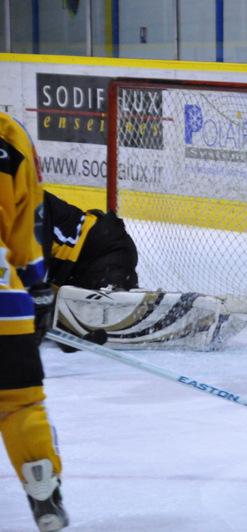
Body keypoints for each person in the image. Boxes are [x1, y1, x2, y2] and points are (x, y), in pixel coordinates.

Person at [42, 191, 246, 351]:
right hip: (78, 267)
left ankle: (202, 316)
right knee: (76, 312)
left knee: (112, 305)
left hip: (104, 249)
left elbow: (32, 268)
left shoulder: (31, 205)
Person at [0, 112, 69, 530]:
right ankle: (43, 490)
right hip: (3, 300)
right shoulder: (7, 135)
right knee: (21, 404)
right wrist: (37, 288)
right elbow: (27, 222)